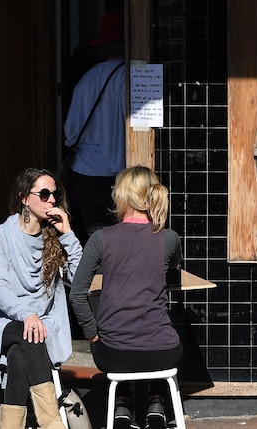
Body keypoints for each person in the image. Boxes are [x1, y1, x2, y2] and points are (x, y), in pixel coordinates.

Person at [69, 166, 182, 429]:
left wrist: (92, 333)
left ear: (121, 197)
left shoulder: (100, 239)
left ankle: (123, 404)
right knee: (165, 328)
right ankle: (156, 402)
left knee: (122, 325)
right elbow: (175, 266)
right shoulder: (168, 238)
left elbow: (77, 295)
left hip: (112, 355)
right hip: (163, 354)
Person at [0, 167, 81, 429]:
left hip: (43, 325)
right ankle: (52, 423)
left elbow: (79, 282)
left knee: (21, 354)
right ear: (24, 198)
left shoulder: (54, 237)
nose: (52, 200)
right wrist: (27, 314)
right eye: (44, 194)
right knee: (28, 333)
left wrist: (67, 234)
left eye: (55, 194)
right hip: (1, 322)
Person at [64, 10, 127, 244]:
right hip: (118, 173)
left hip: (85, 174)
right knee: (126, 241)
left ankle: (101, 280)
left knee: (96, 241)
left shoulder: (87, 79)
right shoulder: (128, 78)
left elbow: (69, 132)